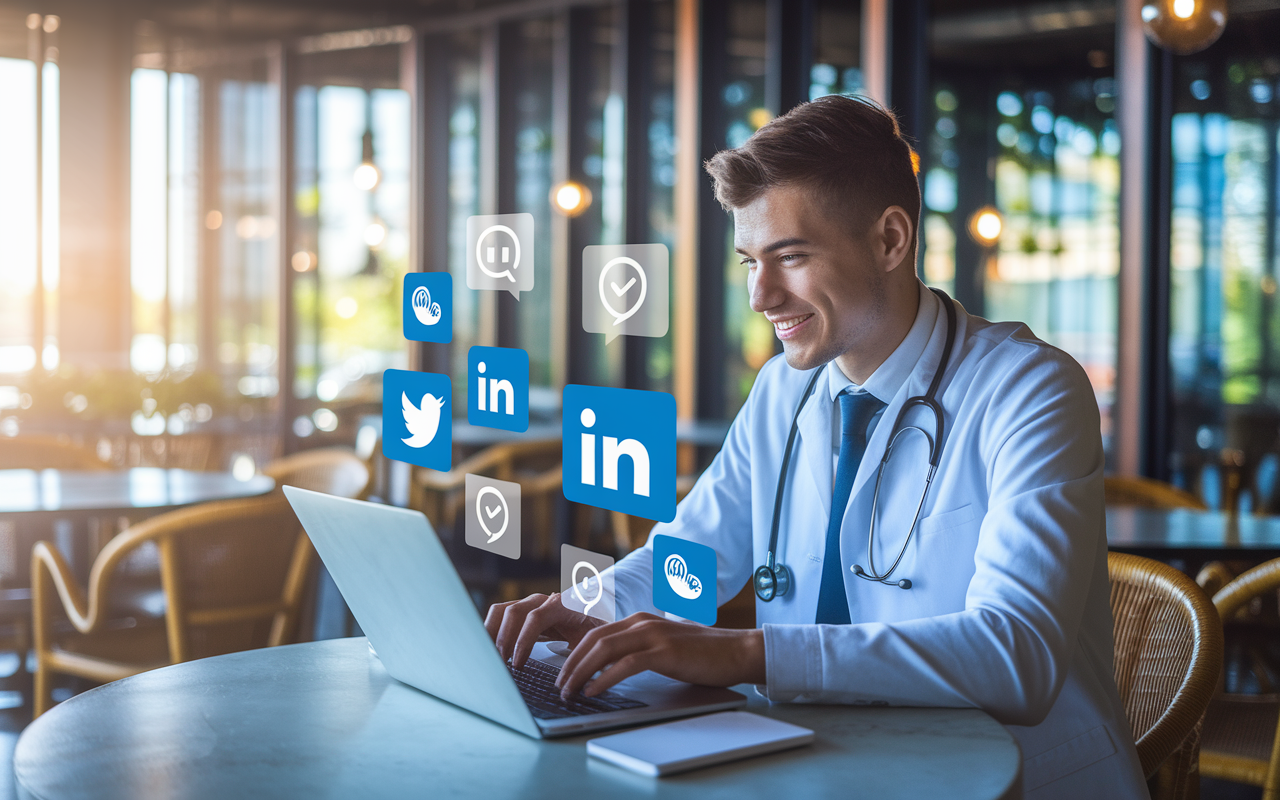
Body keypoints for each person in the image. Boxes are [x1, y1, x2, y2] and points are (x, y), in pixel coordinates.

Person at [485, 95, 1146, 798]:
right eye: (748, 261)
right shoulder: (783, 389)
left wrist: (745, 652)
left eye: (790, 256)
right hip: (825, 765)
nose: (761, 294)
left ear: (891, 241)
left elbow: (1016, 656)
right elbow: (693, 559)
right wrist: (587, 607)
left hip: (1005, 778)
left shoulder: (1029, 389)